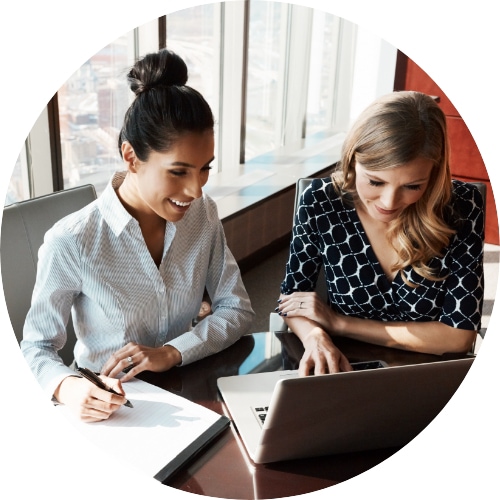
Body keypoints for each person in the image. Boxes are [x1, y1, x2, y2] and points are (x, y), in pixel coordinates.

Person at [21, 49, 254, 421]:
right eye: (178, 171)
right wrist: (68, 387)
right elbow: (36, 347)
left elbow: (237, 308)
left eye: (205, 169)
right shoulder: (72, 241)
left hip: (192, 389)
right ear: (131, 157)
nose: (196, 190)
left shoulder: (203, 213)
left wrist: (173, 352)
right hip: (114, 409)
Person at [277, 91, 484, 376]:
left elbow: (459, 337)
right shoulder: (321, 201)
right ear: (353, 161)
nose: (389, 202)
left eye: (413, 186)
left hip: (427, 375)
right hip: (342, 368)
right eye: (375, 181)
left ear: (433, 175)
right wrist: (315, 336)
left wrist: (339, 324)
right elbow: (293, 297)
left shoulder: (462, 206)